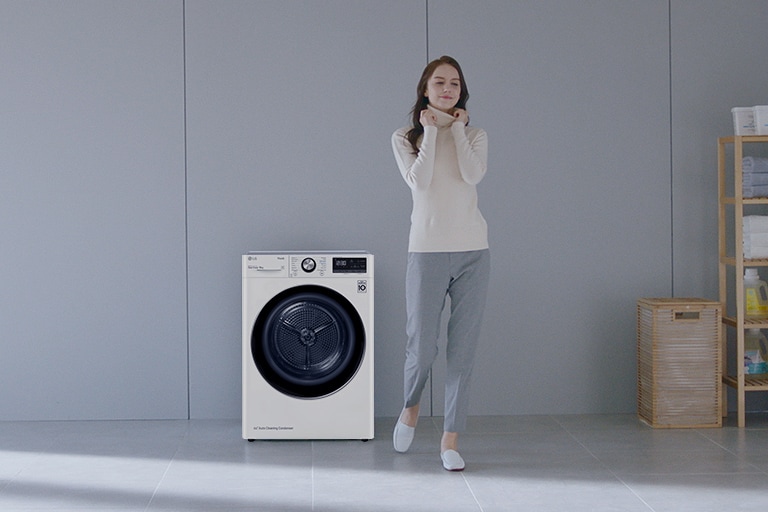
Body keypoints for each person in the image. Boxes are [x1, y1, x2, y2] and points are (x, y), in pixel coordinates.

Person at [390, 56, 490, 471]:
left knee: (462, 352)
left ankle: (450, 439)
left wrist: (458, 128)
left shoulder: (476, 134)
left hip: (473, 252)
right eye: (439, 82)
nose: (447, 89)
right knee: (422, 348)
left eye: (454, 83)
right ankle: (411, 406)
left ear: (461, 91)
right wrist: (431, 130)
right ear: (426, 89)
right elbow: (420, 180)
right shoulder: (404, 136)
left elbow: (472, 176)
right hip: (426, 251)